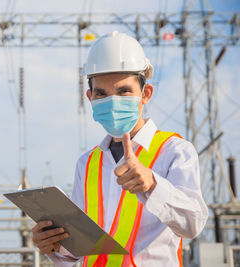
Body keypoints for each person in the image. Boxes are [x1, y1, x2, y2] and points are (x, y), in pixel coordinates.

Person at [31, 31, 208, 267]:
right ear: (90, 97)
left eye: (124, 91)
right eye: (101, 93)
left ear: (145, 94)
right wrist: (54, 244)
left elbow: (193, 224)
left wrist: (153, 185)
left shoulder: (174, 151)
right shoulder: (86, 163)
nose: (112, 101)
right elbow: (80, 252)